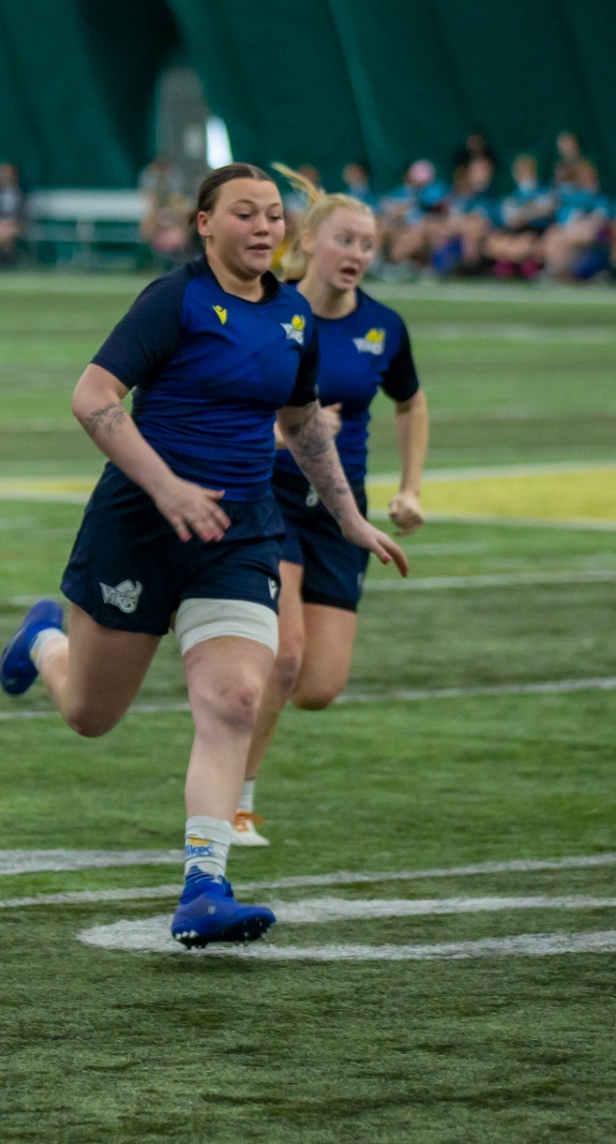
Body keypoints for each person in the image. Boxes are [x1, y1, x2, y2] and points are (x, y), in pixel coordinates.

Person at [0, 163, 408, 949]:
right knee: (89, 714)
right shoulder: (172, 300)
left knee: (236, 701)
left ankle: (206, 886)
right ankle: (44, 639)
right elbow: (92, 397)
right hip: (139, 526)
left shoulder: (293, 318)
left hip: (241, 528)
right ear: (204, 225)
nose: (262, 228)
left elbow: (302, 423)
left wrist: (350, 516)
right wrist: (167, 486)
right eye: (243, 214)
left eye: (273, 217)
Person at [232, 166, 428, 846]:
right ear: (309, 241)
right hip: (269, 496)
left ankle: (223, 671)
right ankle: (237, 802)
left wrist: (411, 486)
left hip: (343, 509)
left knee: (318, 685)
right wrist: (294, 437)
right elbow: (231, 410)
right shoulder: (270, 310)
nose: (357, 255)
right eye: (345, 239)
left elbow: (410, 401)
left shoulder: (384, 327)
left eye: (368, 245)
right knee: (284, 656)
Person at [487, 154, 555, 278]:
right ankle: (509, 266)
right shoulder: (512, 197)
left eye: (528, 172)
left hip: (537, 232)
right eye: (520, 172)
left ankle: (525, 266)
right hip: (516, 232)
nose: (524, 176)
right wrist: (532, 211)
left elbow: (547, 209)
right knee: (499, 243)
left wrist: (525, 213)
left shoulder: (544, 192)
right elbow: (511, 220)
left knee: (525, 243)